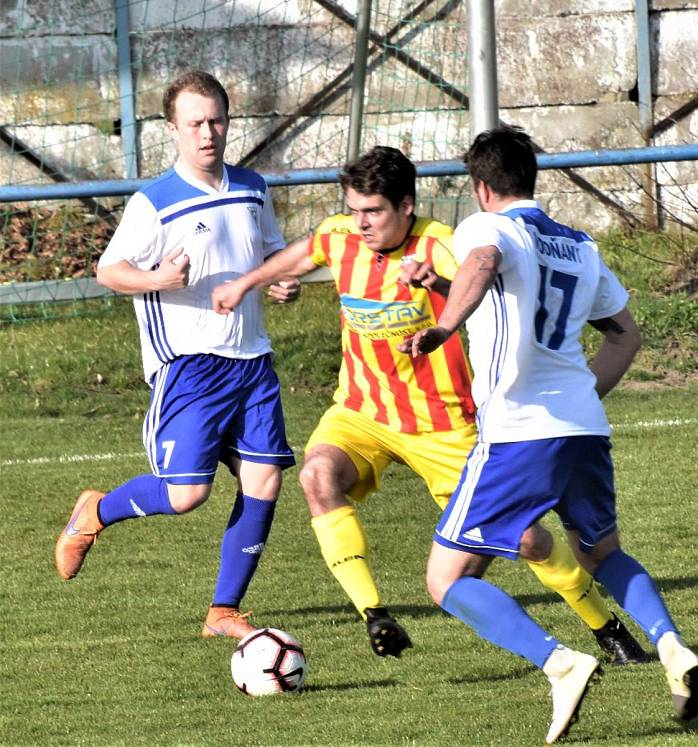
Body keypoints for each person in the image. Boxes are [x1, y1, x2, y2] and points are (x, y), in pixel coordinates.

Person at [211, 145, 645, 664]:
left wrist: (437, 287)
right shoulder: (340, 236)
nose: (361, 222)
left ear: (407, 206)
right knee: (316, 475)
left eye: (374, 211)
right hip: (361, 412)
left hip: (443, 423)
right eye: (354, 209)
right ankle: (374, 615)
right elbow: (305, 253)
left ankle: (607, 628)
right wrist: (247, 283)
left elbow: (484, 280)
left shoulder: (442, 245)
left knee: (526, 538)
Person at [399, 124, 698, 743]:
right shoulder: (579, 245)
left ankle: (559, 663)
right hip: (582, 427)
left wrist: (442, 327)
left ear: (481, 187)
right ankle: (672, 647)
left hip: (518, 432)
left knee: (447, 580)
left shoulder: (487, 229)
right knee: (601, 552)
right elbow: (624, 335)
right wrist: (442, 291)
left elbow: (485, 264)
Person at [54, 70, 298, 640]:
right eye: (195, 124)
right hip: (190, 365)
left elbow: (273, 254)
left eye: (216, 121)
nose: (208, 133)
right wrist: (158, 277)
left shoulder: (253, 187)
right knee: (187, 494)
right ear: (174, 130)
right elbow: (108, 270)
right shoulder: (155, 201)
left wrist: (286, 282)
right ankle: (95, 511)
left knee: (264, 482)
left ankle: (223, 609)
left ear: (227, 121)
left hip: (253, 360)